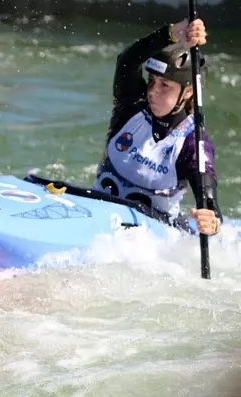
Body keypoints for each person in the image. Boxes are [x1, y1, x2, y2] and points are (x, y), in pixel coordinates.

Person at [92, 18, 222, 235]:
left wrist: (212, 220)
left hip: (151, 237)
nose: (153, 91)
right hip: (98, 214)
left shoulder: (192, 142)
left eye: (165, 85)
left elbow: (208, 198)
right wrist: (171, 34)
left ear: (188, 92)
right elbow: (127, 61)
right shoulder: (132, 106)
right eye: (151, 80)